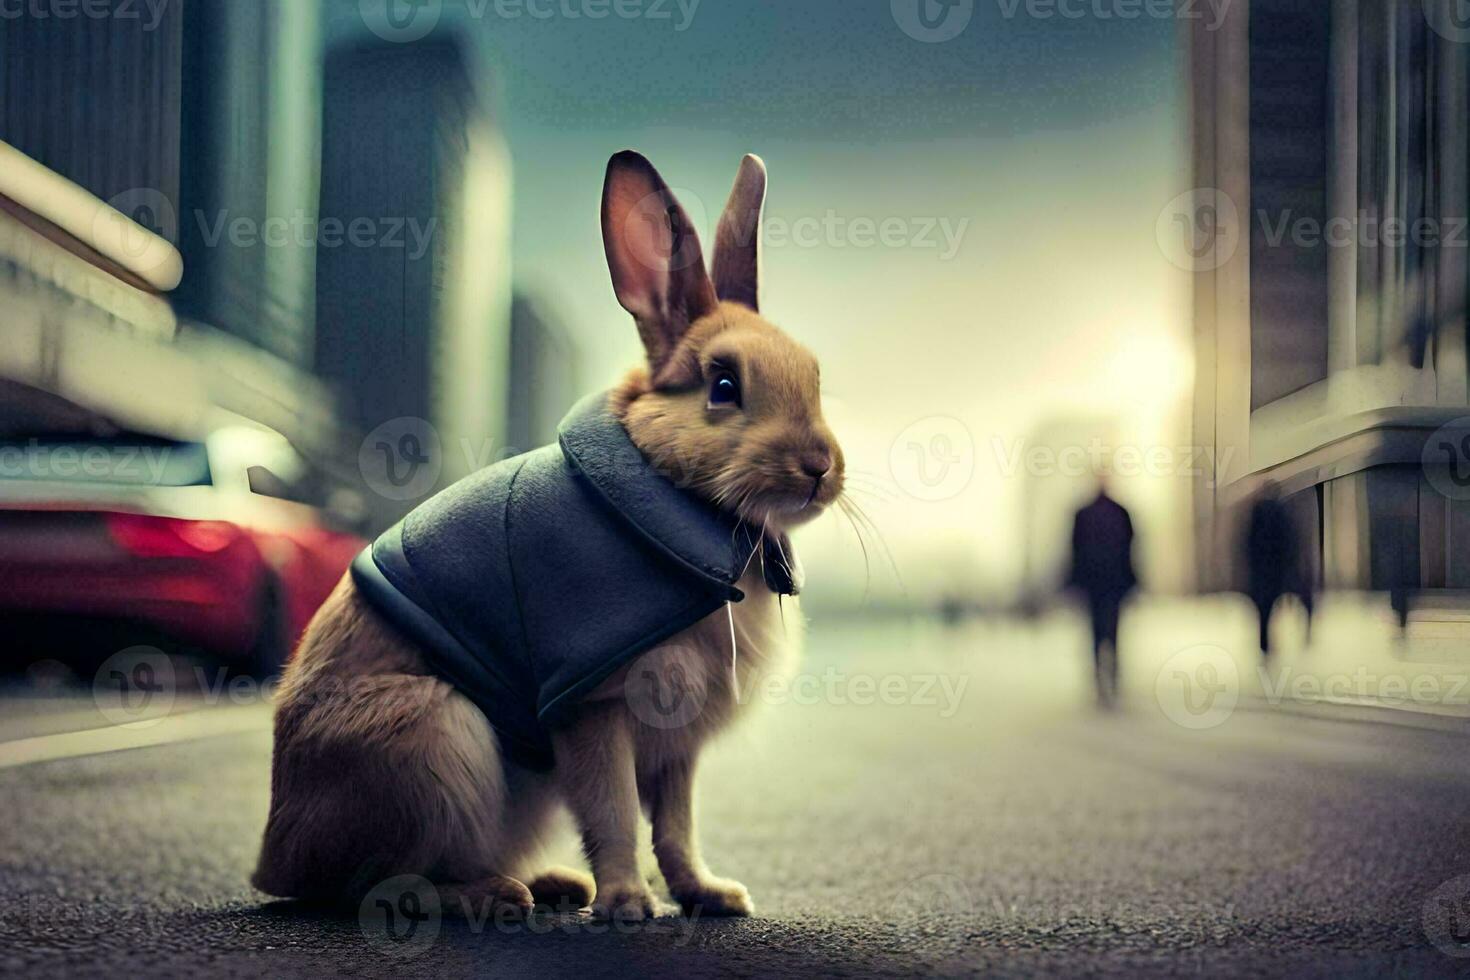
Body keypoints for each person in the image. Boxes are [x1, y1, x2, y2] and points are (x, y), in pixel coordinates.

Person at [1068, 480, 1137, 707]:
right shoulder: (1120, 512)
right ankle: (1112, 678)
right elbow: (1130, 550)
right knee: (1113, 631)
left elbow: (1075, 552)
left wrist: (1075, 582)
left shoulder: (1083, 514)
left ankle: (1101, 680)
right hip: (1113, 585)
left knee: (1096, 633)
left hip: (1095, 585)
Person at [1244, 482, 1313, 659]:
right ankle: (1306, 635)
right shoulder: (1283, 512)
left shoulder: (1258, 512)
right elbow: (1291, 542)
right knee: (1303, 600)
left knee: (1264, 609)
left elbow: (1249, 544)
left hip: (1264, 570)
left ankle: (1265, 644)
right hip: (1280, 567)